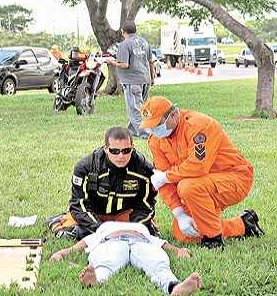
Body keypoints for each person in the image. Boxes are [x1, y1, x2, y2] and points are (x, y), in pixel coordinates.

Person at [139, 96, 264, 249]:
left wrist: (166, 176)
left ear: (173, 115)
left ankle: (213, 239)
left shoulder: (199, 125)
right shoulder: (155, 140)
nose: (153, 130)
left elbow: (198, 166)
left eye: (157, 125)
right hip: (202, 186)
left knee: (188, 186)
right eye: (149, 127)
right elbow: (161, 179)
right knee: (183, 233)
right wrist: (179, 214)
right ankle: (243, 225)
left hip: (235, 178)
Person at [47, 127, 158, 240]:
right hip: (94, 214)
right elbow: (78, 204)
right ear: (105, 149)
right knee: (72, 233)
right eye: (114, 151)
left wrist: (135, 229)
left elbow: (146, 206)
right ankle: (59, 220)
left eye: (126, 151)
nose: (121, 156)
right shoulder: (86, 167)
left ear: (132, 148)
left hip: (124, 215)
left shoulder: (144, 169)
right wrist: (102, 229)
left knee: (146, 232)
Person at [49, 221, 202, 295]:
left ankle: (175, 287)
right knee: (106, 264)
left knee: (158, 264)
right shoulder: (102, 229)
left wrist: (178, 250)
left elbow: (161, 243)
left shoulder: (143, 228)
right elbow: (84, 242)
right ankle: (94, 279)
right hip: (111, 241)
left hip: (142, 241)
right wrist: (63, 252)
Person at [106, 21, 155, 139]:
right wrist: (152, 78)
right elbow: (150, 61)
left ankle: (147, 134)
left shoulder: (125, 44)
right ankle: (131, 131)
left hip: (132, 81)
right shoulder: (144, 42)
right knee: (142, 107)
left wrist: (112, 62)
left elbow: (124, 64)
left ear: (123, 31)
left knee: (135, 109)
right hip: (145, 80)